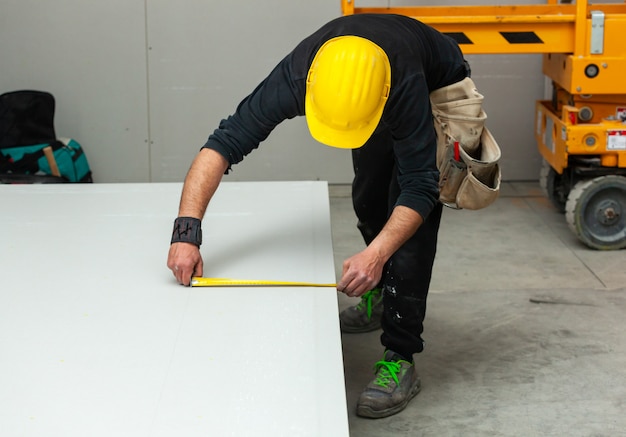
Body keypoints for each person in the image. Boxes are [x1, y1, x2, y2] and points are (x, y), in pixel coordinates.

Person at [167, 13, 475, 419]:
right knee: (368, 198)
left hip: (433, 83)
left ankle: (401, 356)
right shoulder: (297, 74)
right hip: (375, 85)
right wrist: (186, 232)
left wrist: (378, 255)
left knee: (408, 239)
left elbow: (421, 185)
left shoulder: (402, 85)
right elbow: (221, 145)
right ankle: (381, 291)